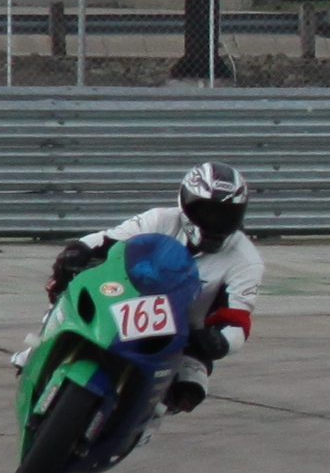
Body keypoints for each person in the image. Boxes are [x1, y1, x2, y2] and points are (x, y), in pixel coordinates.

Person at [25, 159, 265, 413]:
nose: (215, 221)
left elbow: (237, 319)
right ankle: (39, 348)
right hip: (124, 301)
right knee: (67, 280)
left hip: (184, 335)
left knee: (189, 390)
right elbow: (108, 239)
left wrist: (222, 341)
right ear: (186, 203)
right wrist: (78, 250)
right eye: (207, 211)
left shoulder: (246, 260)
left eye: (226, 214)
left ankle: (146, 421)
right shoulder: (160, 219)